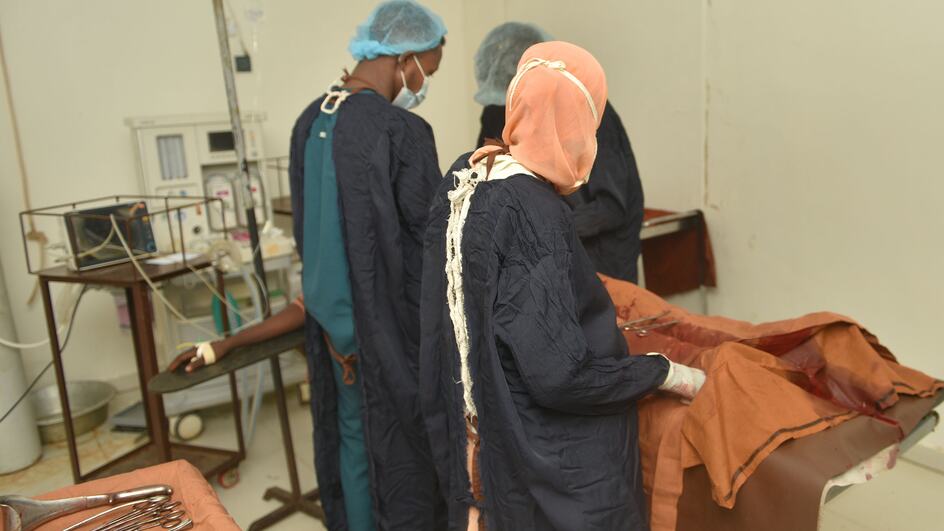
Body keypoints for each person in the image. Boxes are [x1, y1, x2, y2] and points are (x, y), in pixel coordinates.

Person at [171, 1, 448, 529]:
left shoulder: (308, 123)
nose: (423, 84)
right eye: (426, 71)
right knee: (406, 461)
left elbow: (317, 243)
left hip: (332, 336)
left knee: (353, 446)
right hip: (391, 341)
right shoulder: (401, 132)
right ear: (404, 58)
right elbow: (429, 253)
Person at [419, 42, 706, 530]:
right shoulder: (536, 212)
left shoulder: (465, 176)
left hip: (478, 438)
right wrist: (657, 373)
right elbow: (559, 376)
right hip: (546, 458)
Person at [474, 23, 645, 283]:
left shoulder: (585, 114)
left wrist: (542, 228)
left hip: (599, 259)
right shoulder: (498, 111)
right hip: (540, 260)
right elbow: (490, 180)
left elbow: (611, 207)